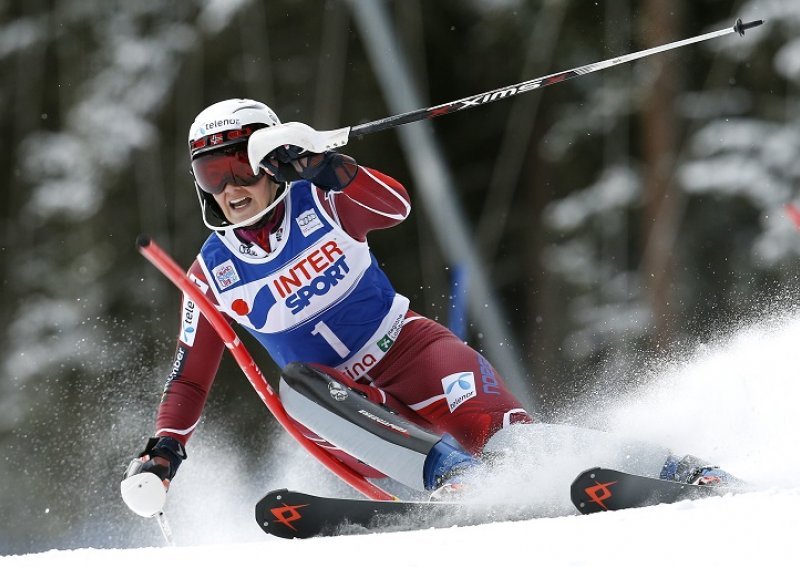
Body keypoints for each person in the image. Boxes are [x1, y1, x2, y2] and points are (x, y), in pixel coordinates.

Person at [122, 98, 736, 516]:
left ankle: (675, 467)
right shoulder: (211, 271)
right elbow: (190, 376)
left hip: (413, 350)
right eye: (210, 174)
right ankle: (449, 478)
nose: (229, 187)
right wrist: (165, 449)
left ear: (269, 158)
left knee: (504, 443)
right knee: (297, 386)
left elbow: (394, 209)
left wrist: (330, 167)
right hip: (346, 407)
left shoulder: (322, 199)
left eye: (238, 165)